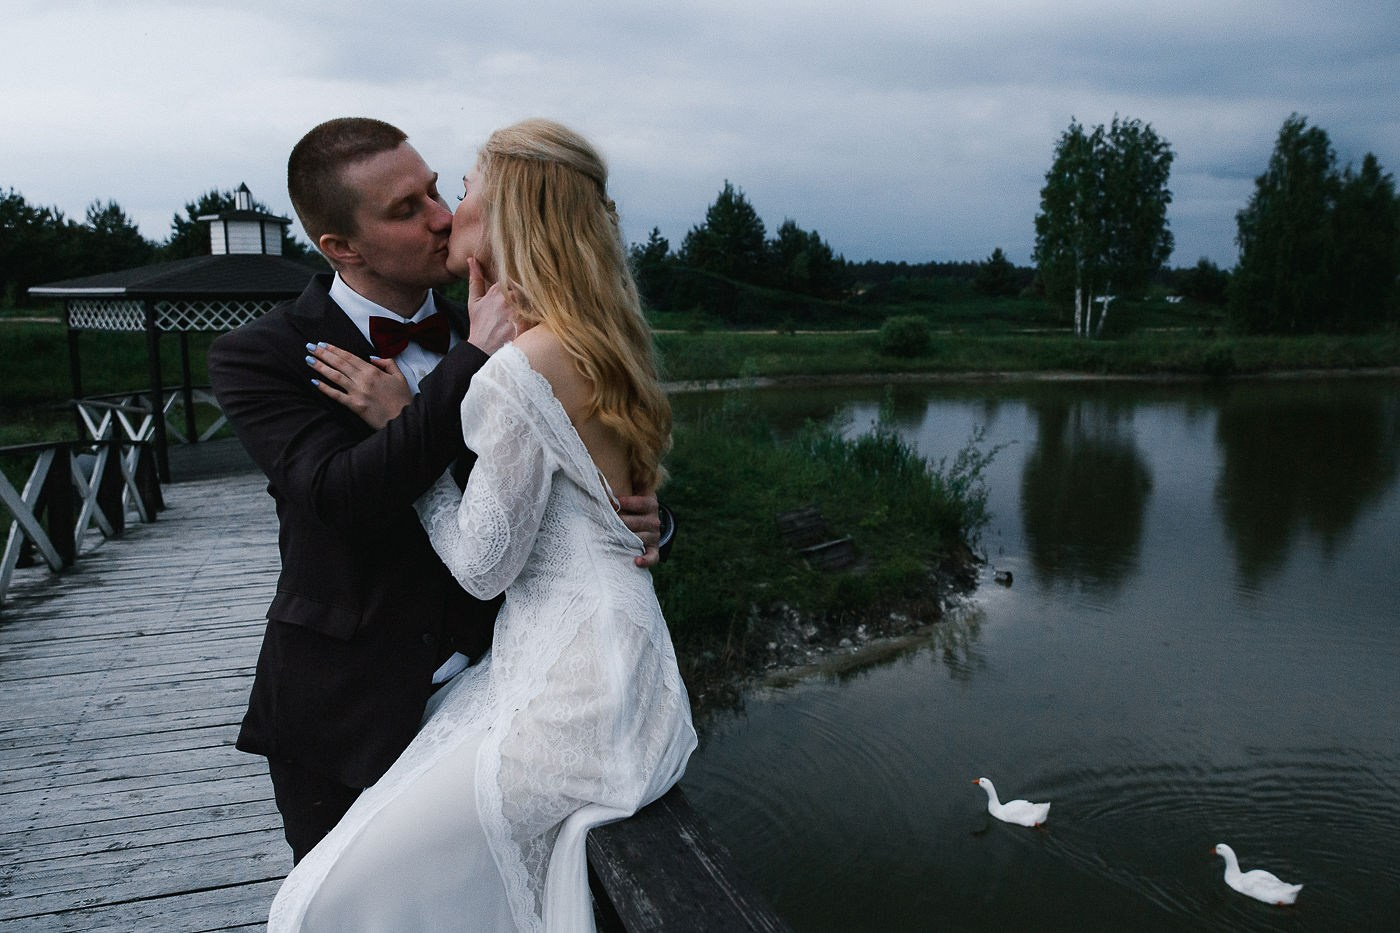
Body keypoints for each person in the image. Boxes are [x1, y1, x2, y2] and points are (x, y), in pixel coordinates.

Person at [266, 119, 698, 932]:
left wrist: (408, 421)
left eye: (453, 190)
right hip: (452, 679)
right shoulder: (595, 337)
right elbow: (335, 491)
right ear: (341, 245)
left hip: (568, 676)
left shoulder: (518, 359)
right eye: (414, 205)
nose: (442, 213)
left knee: (321, 906)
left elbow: (485, 562)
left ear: (509, 219)